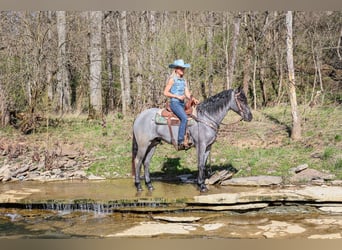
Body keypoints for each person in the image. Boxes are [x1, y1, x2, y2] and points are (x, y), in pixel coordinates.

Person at [163, 59, 199, 150]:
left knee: (193, 116)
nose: (183, 70)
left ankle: (190, 137)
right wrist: (177, 96)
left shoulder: (183, 81)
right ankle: (180, 141)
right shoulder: (172, 80)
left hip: (182, 104)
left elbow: (187, 93)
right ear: (176, 69)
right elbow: (165, 92)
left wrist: (193, 98)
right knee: (184, 118)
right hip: (175, 103)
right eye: (181, 68)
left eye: (183, 68)